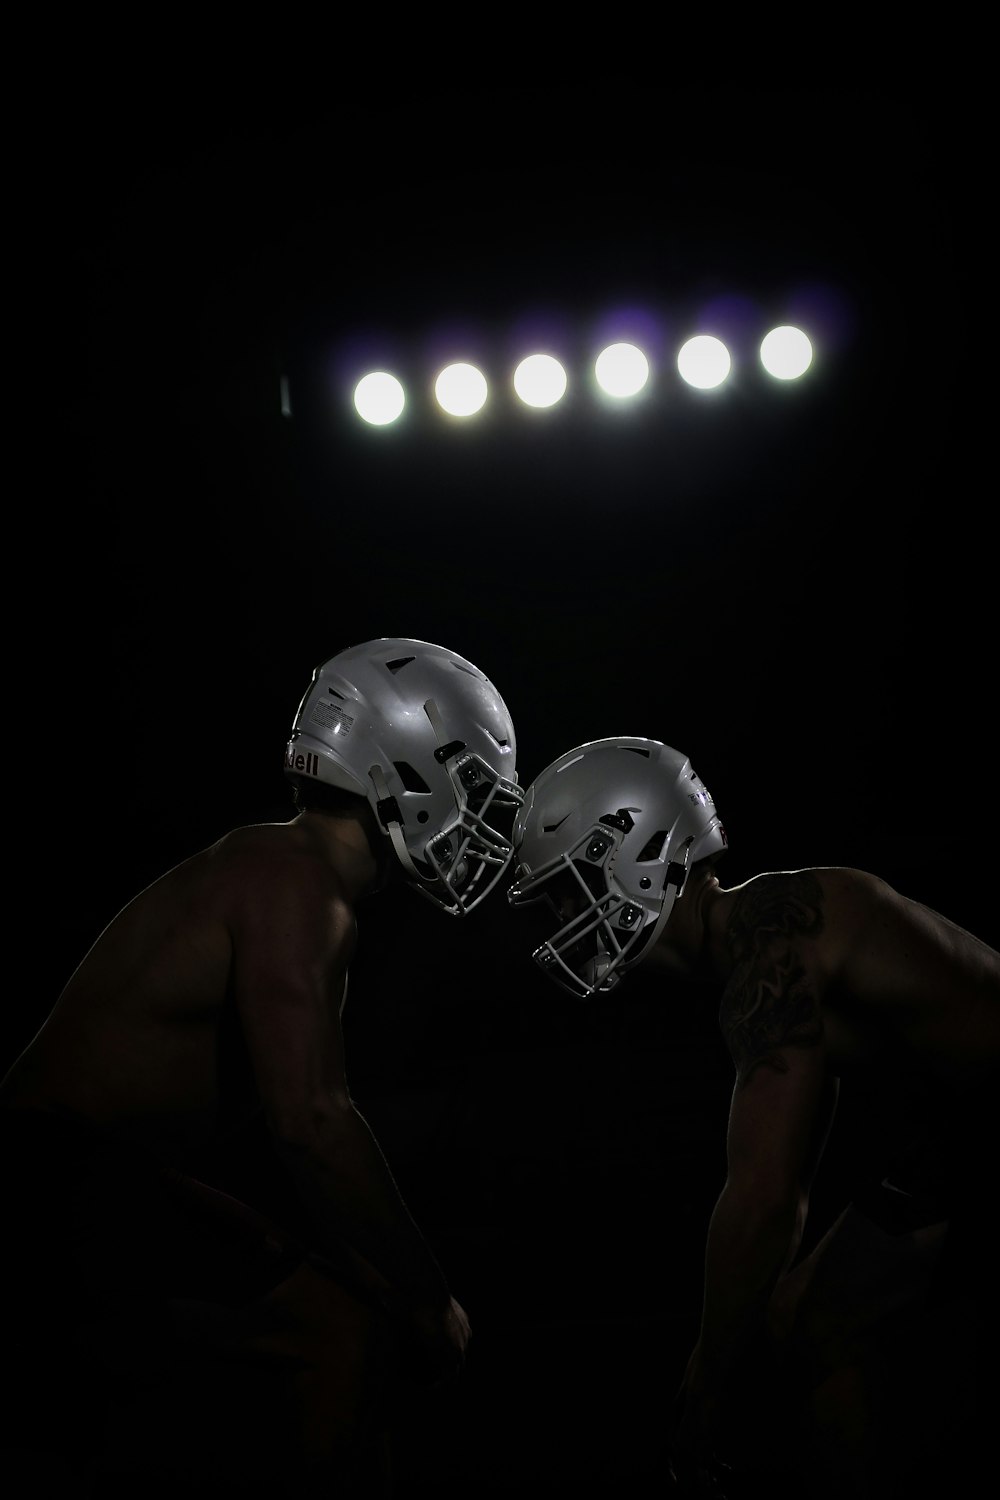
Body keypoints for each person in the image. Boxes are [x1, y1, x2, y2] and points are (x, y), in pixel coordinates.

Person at [1, 637, 522, 1497]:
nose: (478, 819)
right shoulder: (297, 884)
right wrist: (428, 1294)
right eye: (470, 785)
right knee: (342, 1340)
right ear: (402, 771)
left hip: (85, 1173)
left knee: (331, 1326)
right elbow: (311, 1123)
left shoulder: (280, 871)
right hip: (54, 1176)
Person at [507, 736, 999, 1497]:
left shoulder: (770, 938)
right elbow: (790, 1169)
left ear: (633, 849)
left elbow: (767, 1200)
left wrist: (704, 1391)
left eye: (572, 888)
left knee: (801, 1325)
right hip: (960, 1132)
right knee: (809, 1321)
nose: (571, 916)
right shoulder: (761, 948)